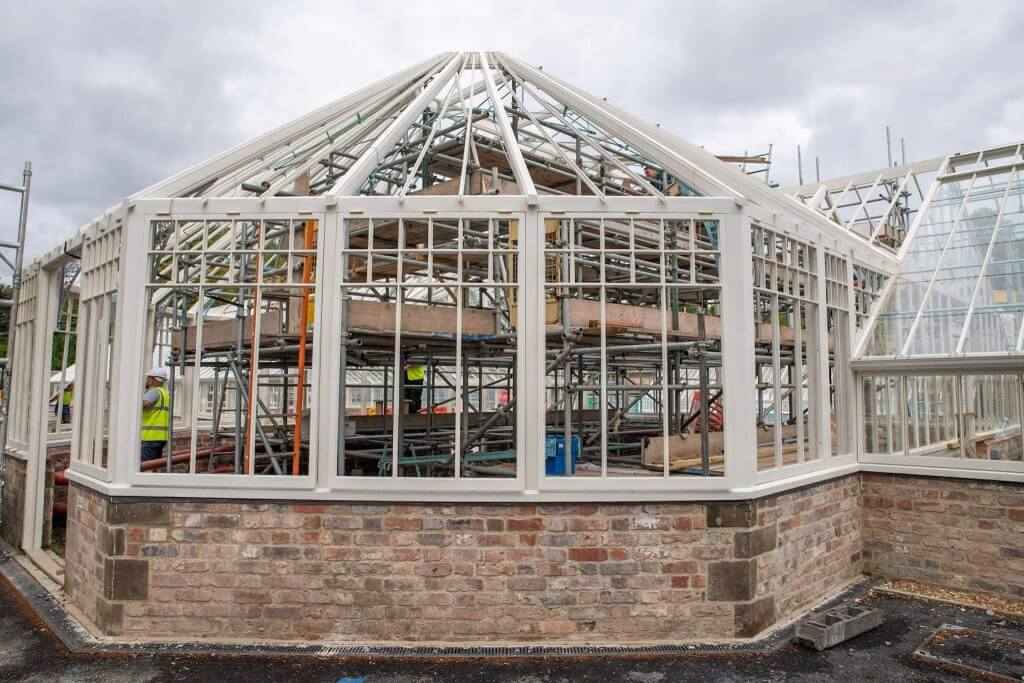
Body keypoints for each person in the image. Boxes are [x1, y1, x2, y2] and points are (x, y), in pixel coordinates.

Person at [141, 367, 170, 462]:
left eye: (148, 378)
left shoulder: (154, 391)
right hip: (159, 438)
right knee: (152, 467)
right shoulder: (164, 393)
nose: (147, 380)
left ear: (152, 380)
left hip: (150, 439)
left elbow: (144, 404)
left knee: (144, 469)